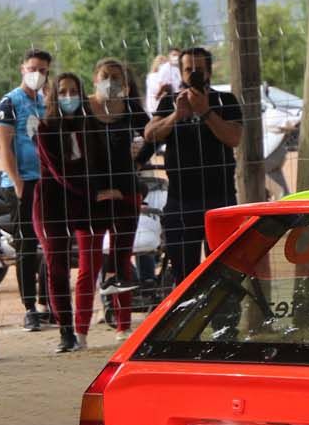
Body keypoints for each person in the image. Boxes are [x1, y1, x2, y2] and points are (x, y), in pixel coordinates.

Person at [143, 46, 242, 286]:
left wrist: (205, 112)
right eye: (188, 69)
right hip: (180, 201)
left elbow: (234, 138)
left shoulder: (224, 100)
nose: (194, 74)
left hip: (220, 200)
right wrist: (177, 115)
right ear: (181, 73)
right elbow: (150, 134)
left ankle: (225, 323)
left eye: (199, 69)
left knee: (224, 274)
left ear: (208, 71)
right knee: (184, 276)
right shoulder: (170, 101)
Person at [83, 59, 146, 331]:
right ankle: (78, 331)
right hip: (90, 195)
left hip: (125, 191)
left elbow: (153, 134)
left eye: (117, 77)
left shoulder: (131, 107)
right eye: (106, 76)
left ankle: (123, 326)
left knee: (123, 260)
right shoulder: (83, 109)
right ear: (95, 78)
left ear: (125, 82)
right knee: (88, 264)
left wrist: (140, 158)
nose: (111, 81)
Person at [33, 72, 91, 352]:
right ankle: (65, 331)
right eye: (63, 91)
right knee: (57, 265)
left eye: (74, 91)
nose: (69, 97)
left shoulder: (89, 125)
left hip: (80, 201)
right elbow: (59, 173)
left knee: (91, 261)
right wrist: (94, 190)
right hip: (50, 203)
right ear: (55, 96)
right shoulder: (45, 128)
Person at [0, 48, 51, 330]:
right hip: (22, 184)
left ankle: (47, 302)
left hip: (47, 181)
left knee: (50, 243)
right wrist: (17, 182)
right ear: (22, 68)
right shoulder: (9, 103)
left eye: (43, 70)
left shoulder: (43, 102)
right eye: (33, 68)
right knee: (27, 245)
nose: (37, 74)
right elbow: (3, 146)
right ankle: (29, 307)